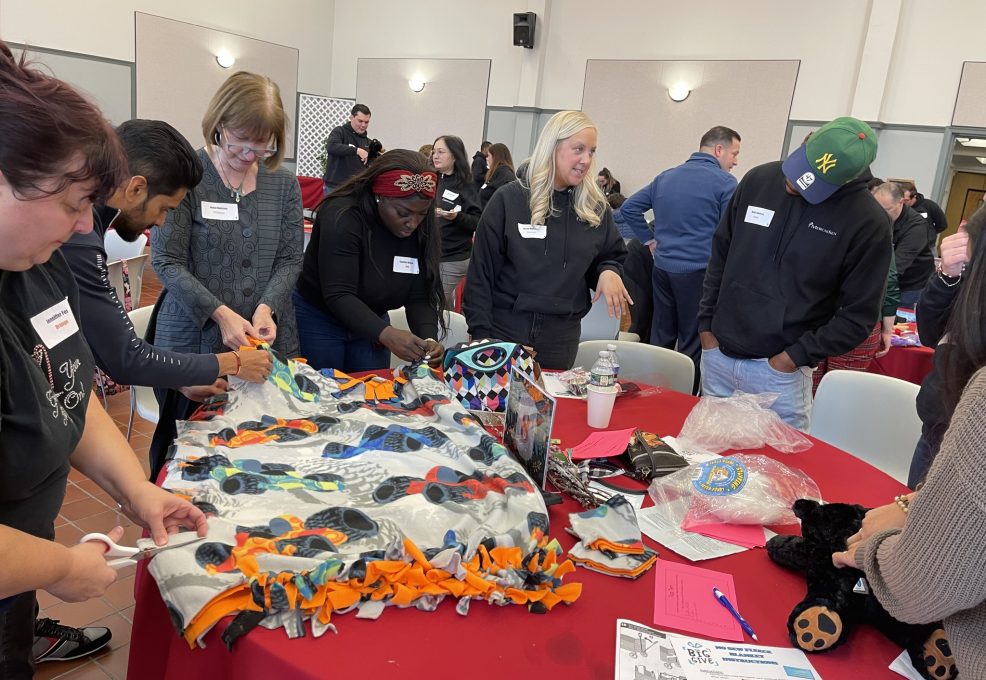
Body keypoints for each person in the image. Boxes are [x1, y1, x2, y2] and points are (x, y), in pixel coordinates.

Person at [0, 41, 207, 678]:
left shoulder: (35, 265)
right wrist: (61, 567)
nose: (85, 225)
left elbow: (65, 389)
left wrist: (135, 489)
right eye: (72, 205)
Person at [831, 206, 986, 677]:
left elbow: (924, 579)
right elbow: (933, 328)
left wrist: (869, 552)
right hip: (940, 426)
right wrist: (948, 277)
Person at [150, 71, 303, 478]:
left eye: (262, 145)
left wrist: (267, 307)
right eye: (241, 142)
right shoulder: (186, 175)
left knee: (267, 451)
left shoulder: (283, 184)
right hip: (193, 339)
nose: (250, 155)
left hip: (268, 341)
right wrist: (221, 314)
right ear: (218, 123)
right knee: (191, 457)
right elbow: (166, 260)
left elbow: (291, 258)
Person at [60, 120, 272, 409]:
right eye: (163, 209)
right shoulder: (80, 239)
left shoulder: (87, 229)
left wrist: (181, 379)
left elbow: (108, 346)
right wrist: (232, 362)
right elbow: (126, 358)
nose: (160, 222)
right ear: (136, 188)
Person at [698, 117, 890, 431]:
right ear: (806, 142)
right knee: (708, 453)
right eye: (800, 167)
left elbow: (858, 317)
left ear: (845, 181)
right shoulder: (758, 180)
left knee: (776, 462)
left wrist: (792, 358)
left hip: (780, 375)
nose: (794, 183)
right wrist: (706, 326)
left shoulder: (867, 223)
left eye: (813, 183)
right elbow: (720, 254)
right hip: (718, 354)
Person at [464, 110, 632, 370]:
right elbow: (481, 274)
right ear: (552, 147)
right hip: (505, 330)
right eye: (578, 149)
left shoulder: (595, 208)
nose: (586, 160)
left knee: (553, 398)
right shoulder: (509, 200)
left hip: (561, 338)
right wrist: (481, 336)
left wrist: (609, 271)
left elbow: (610, 255)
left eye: (592, 152)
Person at [294, 150, 445, 371]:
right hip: (320, 319)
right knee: (322, 388)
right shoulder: (342, 215)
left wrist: (429, 338)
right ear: (378, 196)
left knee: (373, 388)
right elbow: (339, 293)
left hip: (372, 320)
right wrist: (386, 334)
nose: (412, 223)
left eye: (421, 214)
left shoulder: (421, 227)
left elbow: (420, 294)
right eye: (403, 213)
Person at [619, 126, 740, 393]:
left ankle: (650, 395)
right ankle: (681, 402)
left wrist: (649, 240)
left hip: (662, 269)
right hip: (699, 274)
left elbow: (629, 208)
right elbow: (728, 234)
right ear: (719, 149)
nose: (735, 161)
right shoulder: (725, 183)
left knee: (660, 337)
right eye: (734, 154)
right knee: (691, 342)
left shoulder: (666, 177)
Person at [907, 209, 980, 488]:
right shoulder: (971, 270)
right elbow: (929, 333)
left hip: (974, 441)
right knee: (910, 508)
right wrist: (948, 275)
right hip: (937, 425)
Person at [432, 135, 482, 307]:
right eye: (434, 152)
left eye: (441, 152)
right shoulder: (432, 179)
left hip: (453, 257)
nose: (435, 156)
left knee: (434, 302)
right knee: (440, 305)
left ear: (454, 156)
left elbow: (477, 221)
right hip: (432, 254)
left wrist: (456, 217)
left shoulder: (466, 185)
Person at [873, 182, 935, 308]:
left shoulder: (916, 227)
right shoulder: (876, 218)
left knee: (897, 317)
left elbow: (897, 266)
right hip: (883, 278)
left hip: (911, 286)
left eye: (887, 210)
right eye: (877, 208)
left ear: (901, 202)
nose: (880, 214)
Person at [322, 104, 372, 195]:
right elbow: (332, 147)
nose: (363, 125)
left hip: (356, 189)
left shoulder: (367, 142)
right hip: (335, 187)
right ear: (351, 117)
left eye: (366, 122)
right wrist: (357, 151)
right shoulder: (339, 132)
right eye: (360, 121)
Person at [898, 179, 947, 251]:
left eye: (906, 200)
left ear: (914, 197)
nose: (903, 203)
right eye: (901, 200)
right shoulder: (899, 206)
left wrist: (929, 234)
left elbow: (942, 225)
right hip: (904, 245)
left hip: (927, 247)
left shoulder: (930, 205)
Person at [479, 142, 516, 208]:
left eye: (488, 156)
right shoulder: (496, 174)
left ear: (495, 157)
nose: (486, 159)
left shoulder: (505, 176)